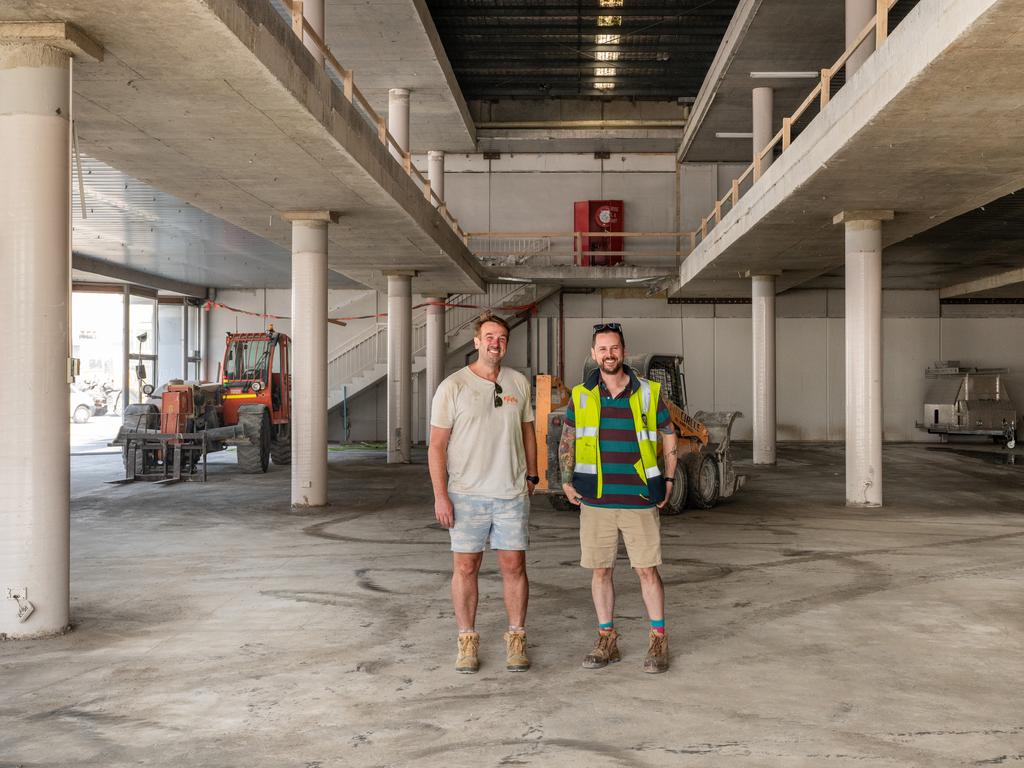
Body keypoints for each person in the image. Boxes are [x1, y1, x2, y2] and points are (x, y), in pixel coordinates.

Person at [558, 322, 677, 674]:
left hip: (640, 497)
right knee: (600, 571)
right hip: (596, 499)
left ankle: (658, 639)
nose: (608, 354)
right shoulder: (580, 395)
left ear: (623, 352)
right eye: (602, 349)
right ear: (593, 354)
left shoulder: (648, 392)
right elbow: (568, 439)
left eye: (614, 348)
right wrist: (565, 479)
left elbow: (668, 436)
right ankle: (606, 639)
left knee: (646, 570)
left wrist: (668, 478)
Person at [428, 311, 539, 674]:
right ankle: (466, 641)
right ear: (477, 342)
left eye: (502, 338)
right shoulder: (452, 387)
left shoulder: (519, 383)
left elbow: (528, 433)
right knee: (465, 567)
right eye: (489, 337)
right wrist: (440, 496)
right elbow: (436, 447)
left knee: (514, 567)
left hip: (510, 493)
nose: (495, 343)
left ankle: (517, 638)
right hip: (466, 494)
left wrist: (533, 476)